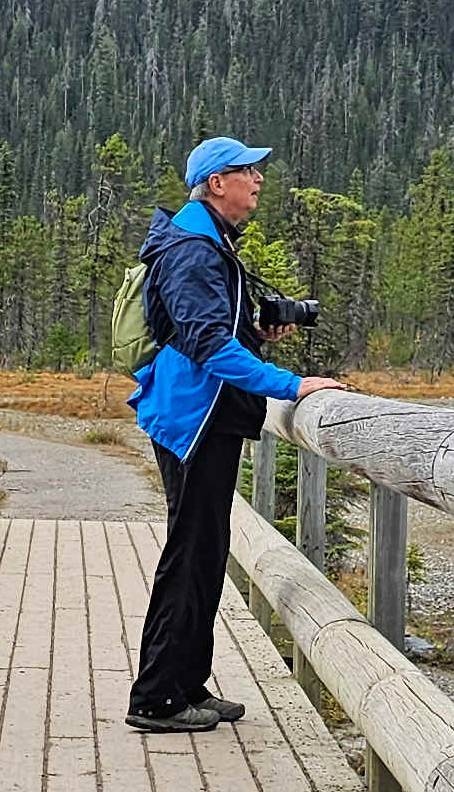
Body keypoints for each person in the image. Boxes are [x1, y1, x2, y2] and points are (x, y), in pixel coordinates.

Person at [128, 136, 341, 732]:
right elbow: (205, 345)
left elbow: (211, 332)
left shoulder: (206, 240)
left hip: (200, 415)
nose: (259, 180)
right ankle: (156, 699)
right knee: (190, 554)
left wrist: (258, 335)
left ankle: (186, 687)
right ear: (217, 182)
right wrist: (291, 384)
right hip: (193, 418)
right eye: (248, 170)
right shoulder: (194, 249)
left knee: (204, 552)